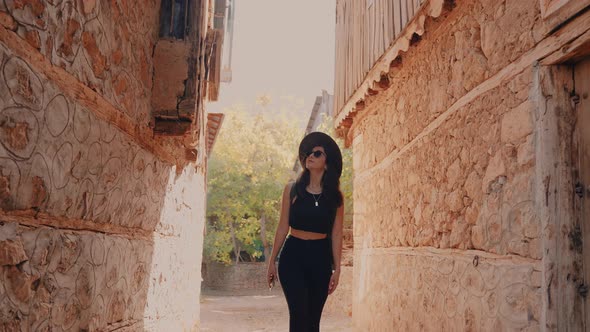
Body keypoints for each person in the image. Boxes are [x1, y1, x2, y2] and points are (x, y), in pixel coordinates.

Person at [267, 131, 344, 332]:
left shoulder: (336, 196)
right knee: (299, 315)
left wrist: (337, 269)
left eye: (317, 153)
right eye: (308, 153)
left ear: (327, 162)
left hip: (320, 258)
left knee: (312, 322)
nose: (310, 156)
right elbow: (283, 226)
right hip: (293, 256)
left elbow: (336, 234)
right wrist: (271, 261)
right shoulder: (292, 190)